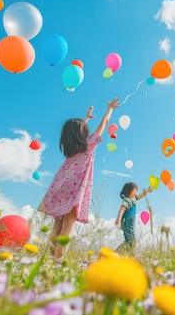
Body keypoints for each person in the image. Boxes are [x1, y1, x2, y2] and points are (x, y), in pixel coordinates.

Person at [38, 97, 120, 259]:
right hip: (74, 191)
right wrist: (110, 108)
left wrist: (86, 118)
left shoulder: (70, 151)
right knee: (67, 228)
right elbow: (104, 123)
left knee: (57, 226)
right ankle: (58, 264)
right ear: (82, 133)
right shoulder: (88, 146)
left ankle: (51, 260)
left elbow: (74, 131)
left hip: (59, 188)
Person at [115, 182, 153, 249]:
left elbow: (140, 196)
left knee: (130, 240)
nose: (136, 192)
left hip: (130, 222)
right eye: (135, 190)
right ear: (129, 191)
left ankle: (120, 252)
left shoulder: (132, 199)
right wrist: (118, 220)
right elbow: (122, 209)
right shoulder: (127, 200)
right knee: (131, 240)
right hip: (127, 222)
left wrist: (147, 191)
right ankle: (126, 252)